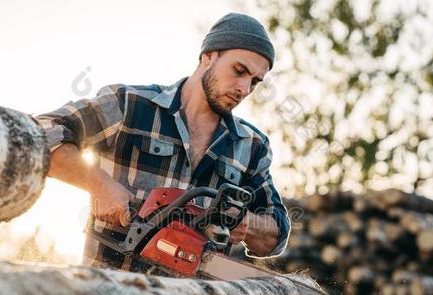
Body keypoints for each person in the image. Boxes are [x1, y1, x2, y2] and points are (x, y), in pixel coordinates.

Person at [36, 13, 291, 271]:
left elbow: (277, 234)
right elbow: (42, 132)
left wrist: (247, 223)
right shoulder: (131, 106)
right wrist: (97, 183)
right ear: (208, 56)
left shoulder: (251, 146)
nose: (244, 88)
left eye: (255, 82)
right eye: (239, 71)